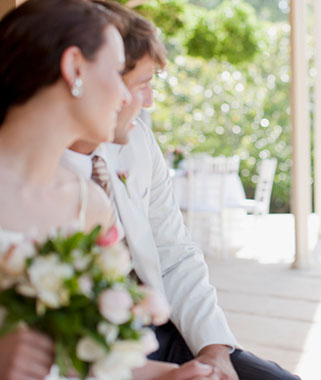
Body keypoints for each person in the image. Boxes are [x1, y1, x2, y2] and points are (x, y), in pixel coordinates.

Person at [61, 2, 300, 379]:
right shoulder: (43, 173)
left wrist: (214, 349)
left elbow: (175, 252)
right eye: (143, 84)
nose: (146, 102)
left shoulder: (136, 141)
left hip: (160, 328)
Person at [0, 2, 214, 379]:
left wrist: (166, 376)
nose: (127, 96)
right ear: (74, 68)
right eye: (117, 72)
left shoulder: (90, 204)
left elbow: (94, 359)